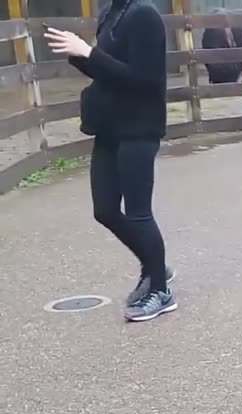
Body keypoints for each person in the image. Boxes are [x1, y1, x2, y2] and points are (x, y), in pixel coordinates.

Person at [46, 0, 177, 322]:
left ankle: (160, 290)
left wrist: (90, 52)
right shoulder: (111, 13)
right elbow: (109, 72)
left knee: (137, 213)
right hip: (109, 126)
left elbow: (144, 81)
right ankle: (156, 265)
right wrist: (78, 55)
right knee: (104, 209)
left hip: (139, 127)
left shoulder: (144, 14)